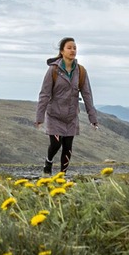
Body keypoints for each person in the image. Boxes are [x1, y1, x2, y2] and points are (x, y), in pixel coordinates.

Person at [35, 37, 99, 175]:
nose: (73, 50)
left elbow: (87, 94)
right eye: (69, 48)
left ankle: (62, 176)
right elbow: (45, 94)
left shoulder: (81, 71)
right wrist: (40, 117)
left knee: (68, 147)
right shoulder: (53, 70)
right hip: (54, 115)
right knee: (56, 143)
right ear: (62, 51)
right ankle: (49, 161)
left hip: (71, 116)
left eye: (74, 48)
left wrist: (92, 118)